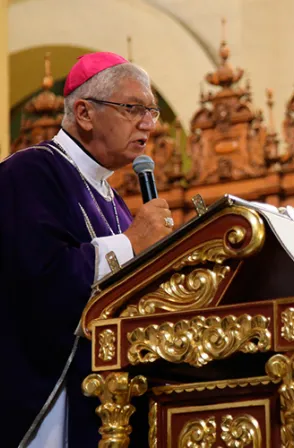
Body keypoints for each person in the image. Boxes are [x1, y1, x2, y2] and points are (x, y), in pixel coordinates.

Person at [0, 52, 175, 447]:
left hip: (110, 404)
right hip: (49, 405)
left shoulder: (113, 200)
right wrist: (131, 244)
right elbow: (38, 280)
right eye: (133, 108)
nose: (148, 123)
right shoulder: (29, 172)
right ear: (84, 112)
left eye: (152, 111)